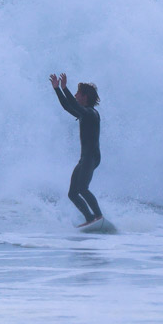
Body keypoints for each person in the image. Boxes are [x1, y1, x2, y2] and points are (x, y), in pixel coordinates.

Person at [49, 72, 103, 226]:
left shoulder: (91, 113)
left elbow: (72, 104)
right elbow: (67, 106)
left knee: (83, 189)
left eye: (78, 93)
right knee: (73, 193)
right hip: (84, 158)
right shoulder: (84, 114)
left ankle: (99, 217)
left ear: (85, 97)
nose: (75, 95)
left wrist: (64, 88)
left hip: (91, 157)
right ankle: (90, 219)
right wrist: (57, 89)